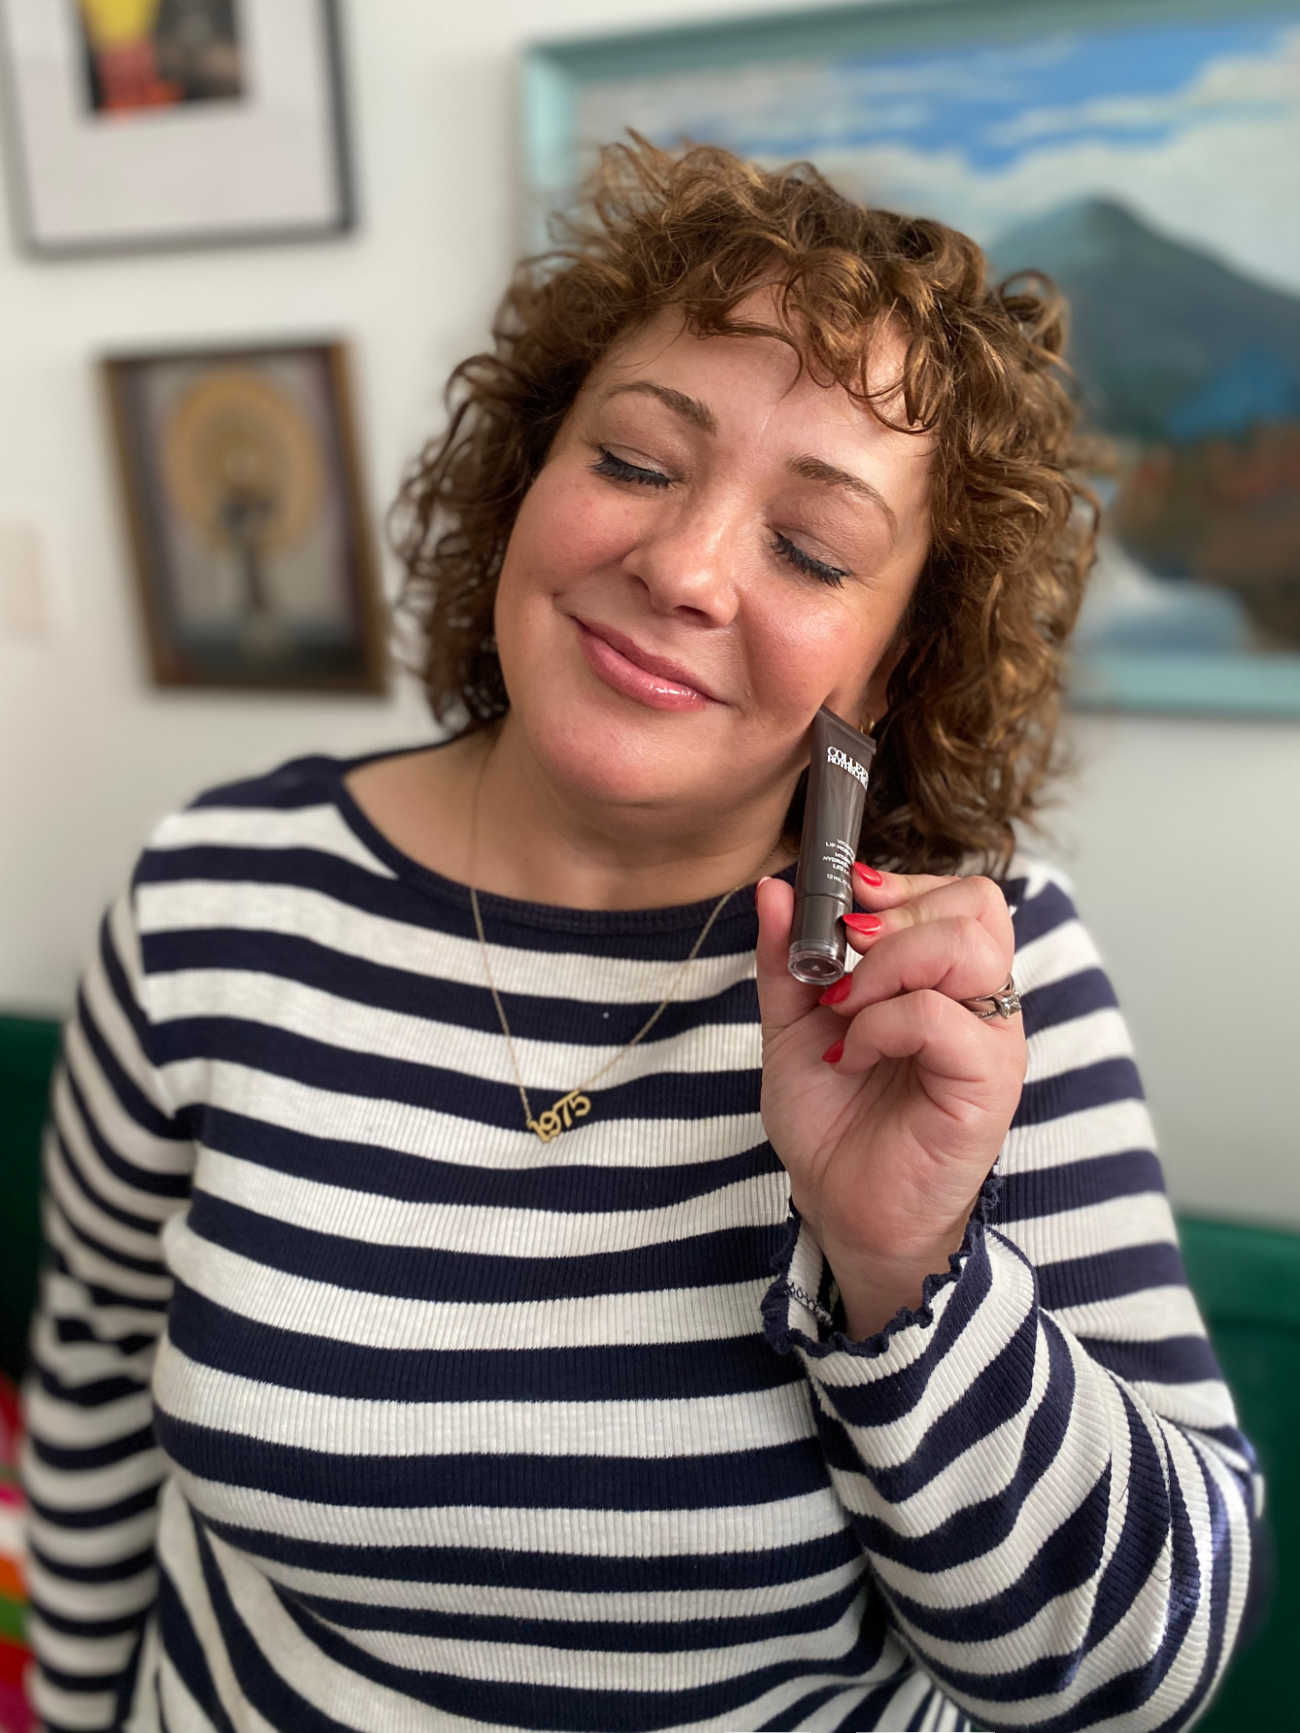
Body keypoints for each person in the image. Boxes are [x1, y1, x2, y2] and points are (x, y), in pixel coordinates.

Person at [19, 135, 1262, 1733]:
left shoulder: (969, 983)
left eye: (811, 549)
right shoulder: (217, 892)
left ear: (894, 666)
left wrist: (907, 1268)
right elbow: (99, 1396)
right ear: (528, 479)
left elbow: (1131, 1673)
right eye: (633, 460)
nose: (678, 567)